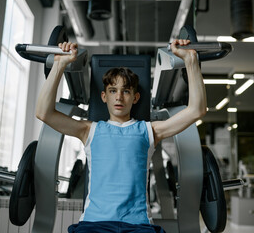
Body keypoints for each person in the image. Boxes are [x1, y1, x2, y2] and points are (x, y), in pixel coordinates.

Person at [36, 40, 207, 233]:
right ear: (104, 97)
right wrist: (59, 64)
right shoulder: (89, 130)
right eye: (113, 91)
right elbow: (44, 113)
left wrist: (191, 60)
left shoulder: (149, 131)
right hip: (94, 224)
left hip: (138, 225)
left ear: (135, 98)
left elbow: (196, 110)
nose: (119, 97)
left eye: (126, 91)